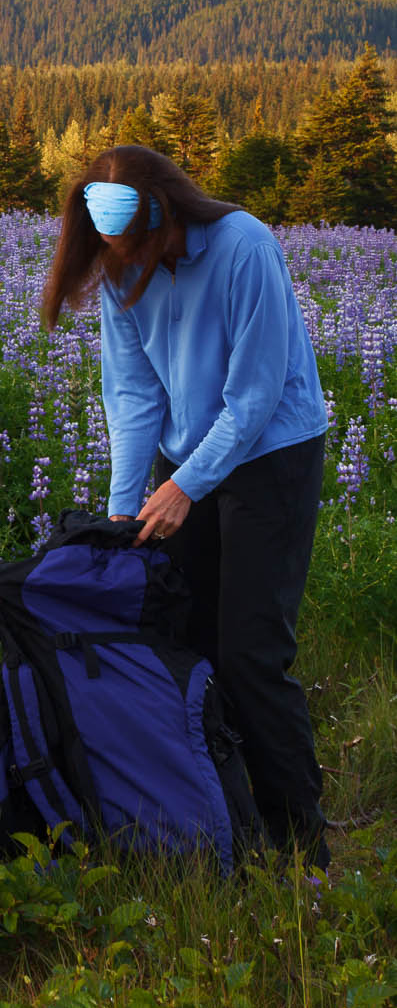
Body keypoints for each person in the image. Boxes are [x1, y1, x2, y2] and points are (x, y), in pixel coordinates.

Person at [41, 144, 332, 867]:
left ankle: (301, 846)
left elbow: (256, 394)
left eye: (142, 243)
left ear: (167, 211)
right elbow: (133, 394)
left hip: (272, 454)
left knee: (251, 653)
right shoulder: (119, 263)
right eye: (115, 249)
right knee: (190, 643)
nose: (132, 259)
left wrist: (184, 488)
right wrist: (120, 512)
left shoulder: (243, 246)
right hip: (190, 457)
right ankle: (226, 822)